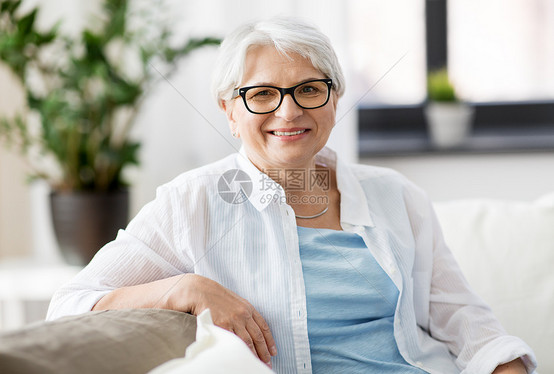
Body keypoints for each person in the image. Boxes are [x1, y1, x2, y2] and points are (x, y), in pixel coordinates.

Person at [47, 17, 537, 374]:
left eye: (308, 89)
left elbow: (464, 319)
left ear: (335, 97)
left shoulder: (396, 195)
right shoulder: (191, 201)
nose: (288, 112)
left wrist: (506, 366)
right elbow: (69, 305)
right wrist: (186, 289)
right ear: (229, 110)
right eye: (261, 95)